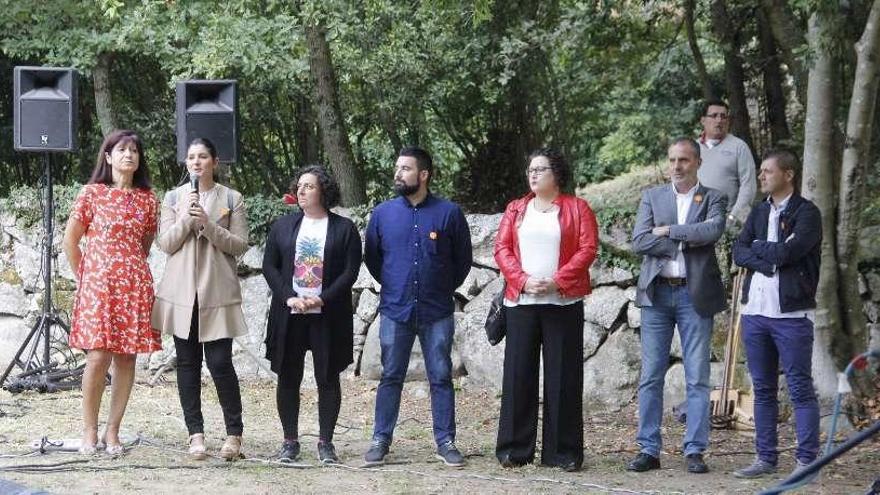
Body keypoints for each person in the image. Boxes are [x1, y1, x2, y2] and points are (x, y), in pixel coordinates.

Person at [363, 146, 473, 467]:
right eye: (397, 168)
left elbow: (461, 262)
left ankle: (446, 441)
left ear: (423, 175)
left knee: (440, 376)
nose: (398, 174)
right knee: (391, 375)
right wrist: (396, 283)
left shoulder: (449, 213)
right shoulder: (383, 214)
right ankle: (381, 440)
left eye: (406, 169)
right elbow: (373, 258)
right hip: (395, 310)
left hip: (436, 310)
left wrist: (439, 287)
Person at [493, 148, 599, 472]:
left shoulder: (578, 208)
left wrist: (557, 281)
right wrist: (522, 280)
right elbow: (502, 248)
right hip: (521, 304)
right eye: (531, 169)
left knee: (563, 378)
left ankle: (562, 453)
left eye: (540, 169)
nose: (533, 174)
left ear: (557, 174)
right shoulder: (516, 209)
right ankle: (514, 450)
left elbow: (587, 249)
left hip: (563, 304)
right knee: (518, 377)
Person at [627, 138, 727, 474]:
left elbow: (712, 230)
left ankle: (695, 450)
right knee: (651, 374)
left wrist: (669, 231)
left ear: (697, 162)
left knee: (697, 376)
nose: (676, 166)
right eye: (671, 160)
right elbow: (640, 240)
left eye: (683, 160)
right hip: (657, 295)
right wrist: (684, 240)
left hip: (694, 296)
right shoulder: (652, 196)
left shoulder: (713, 197)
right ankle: (648, 449)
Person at [62, 129, 160, 456]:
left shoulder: (148, 199)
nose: (128, 154)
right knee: (97, 356)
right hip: (98, 285)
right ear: (108, 156)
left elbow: (144, 245)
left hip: (134, 283)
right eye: (121, 149)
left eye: (134, 150)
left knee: (126, 357)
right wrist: (86, 275)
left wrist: (124, 267)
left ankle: (113, 430)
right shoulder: (92, 193)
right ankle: (89, 429)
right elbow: (70, 241)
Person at [151, 137, 249, 461]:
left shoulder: (232, 198)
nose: (196, 162)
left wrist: (207, 225)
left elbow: (239, 244)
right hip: (181, 294)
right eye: (191, 157)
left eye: (203, 156)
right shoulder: (172, 197)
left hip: (217, 290)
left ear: (215, 162)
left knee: (220, 363)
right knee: (188, 364)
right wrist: (186, 220)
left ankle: (234, 434)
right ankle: (195, 433)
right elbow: (165, 243)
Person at [732, 149, 822, 480]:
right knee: (763, 388)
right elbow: (738, 250)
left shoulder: (807, 213)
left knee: (800, 387)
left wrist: (762, 250)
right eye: (761, 172)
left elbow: (789, 252)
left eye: (768, 171)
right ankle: (765, 458)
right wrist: (768, 258)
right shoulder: (758, 212)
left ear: (788, 175)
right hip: (755, 312)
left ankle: (808, 462)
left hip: (792, 316)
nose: (762, 176)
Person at [262, 166, 361, 464]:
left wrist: (321, 298)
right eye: (300, 186)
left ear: (324, 191)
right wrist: (289, 297)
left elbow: (349, 272)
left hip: (328, 316)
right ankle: (289, 442)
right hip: (290, 314)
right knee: (288, 376)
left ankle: (326, 443)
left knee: (327, 377)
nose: (302, 191)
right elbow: (270, 266)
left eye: (309, 186)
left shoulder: (344, 228)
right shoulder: (282, 226)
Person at [697, 99, 757, 229]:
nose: (719, 120)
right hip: (696, 221)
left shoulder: (739, 147)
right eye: (714, 116)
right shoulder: (693, 148)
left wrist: (733, 218)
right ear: (703, 120)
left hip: (727, 220)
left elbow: (748, 186)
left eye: (723, 116)